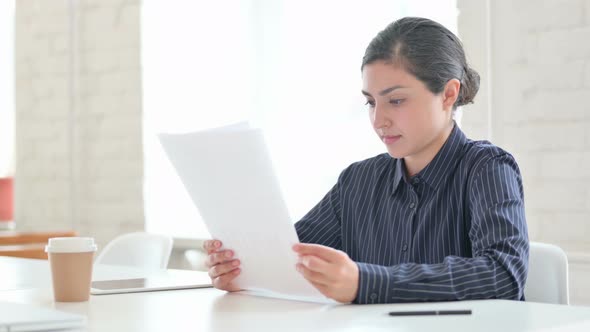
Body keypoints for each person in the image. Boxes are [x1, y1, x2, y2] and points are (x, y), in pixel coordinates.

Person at [203, 17, 529, 304]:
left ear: (448, 94)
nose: (379, 120)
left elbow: (503, 274)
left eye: (396, 100)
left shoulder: (486, 168)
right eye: (371, 103)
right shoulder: (358, 181)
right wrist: (245, 270)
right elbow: (292, 257)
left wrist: (364, 282)